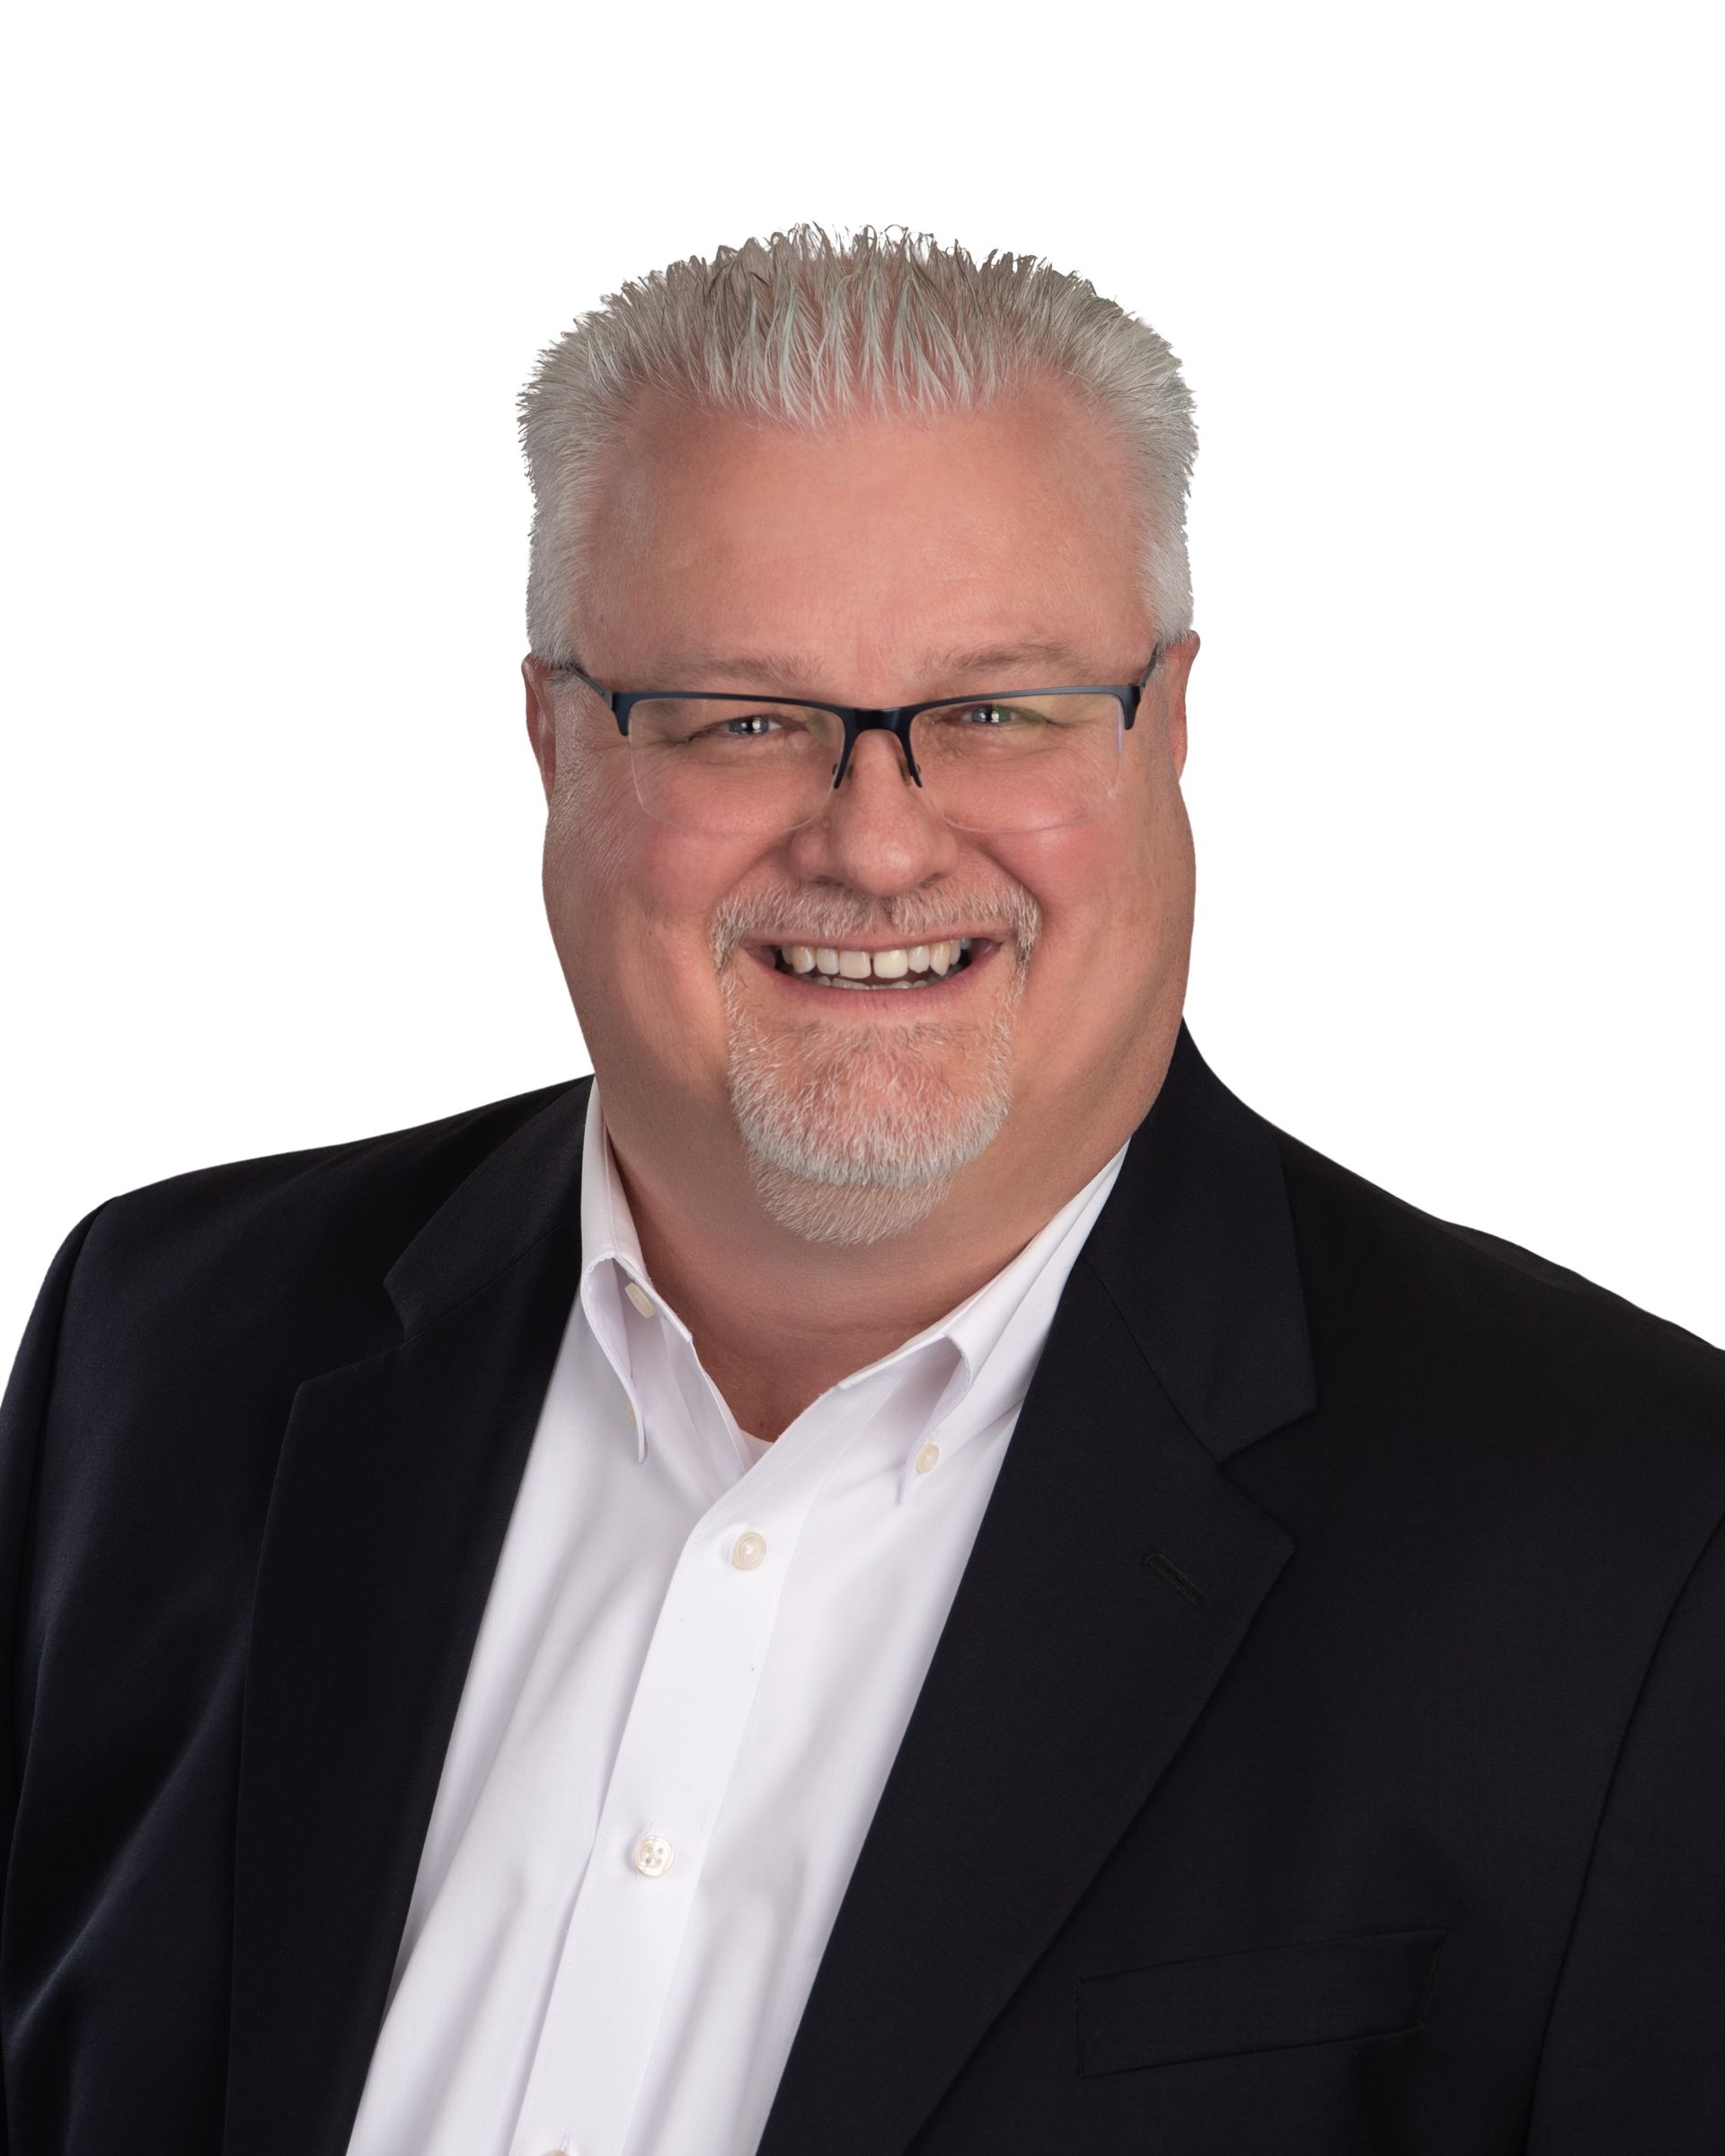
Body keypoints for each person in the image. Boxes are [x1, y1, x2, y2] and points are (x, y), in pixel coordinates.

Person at [2, 225, 1721, 2156]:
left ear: (1169, 725)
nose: (879, 839)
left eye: (998, 709)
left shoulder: (1635, 1545)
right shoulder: (161, 1353)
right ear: (553, 736)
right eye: (745, 715)